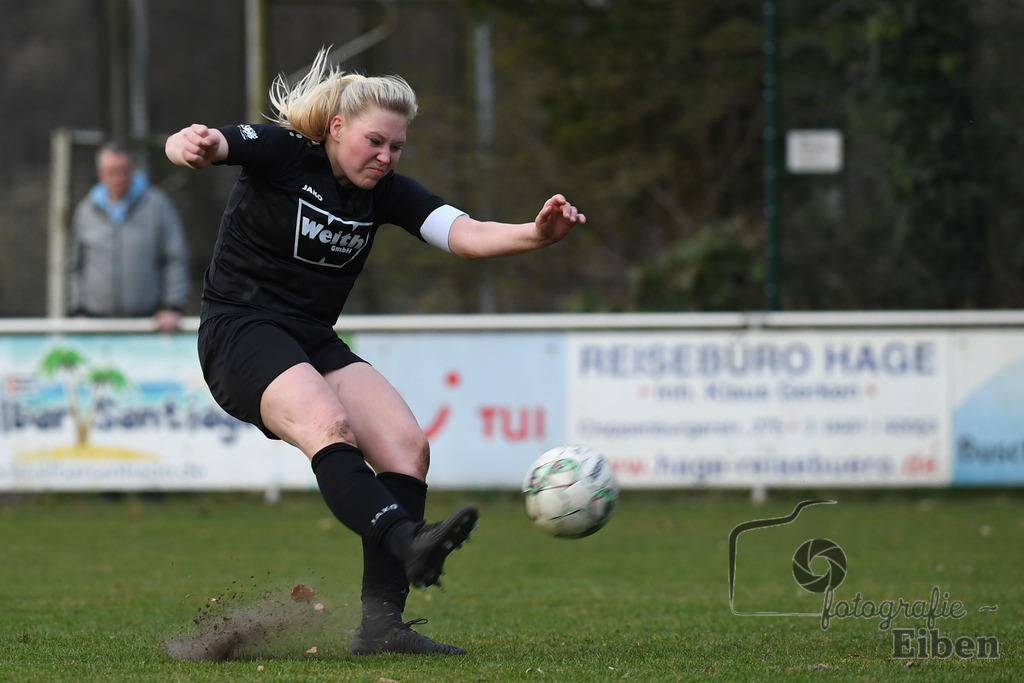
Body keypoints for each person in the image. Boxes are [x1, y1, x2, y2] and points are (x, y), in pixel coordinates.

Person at [164, 48, 585, 656]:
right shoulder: (285, 153)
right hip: (240, 331)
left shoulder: (383, 192)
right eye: (375, 142)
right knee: (326, 422)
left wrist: (536, 233)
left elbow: (463, 235)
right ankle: (405, 539)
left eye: (396, 148)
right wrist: (190, 146)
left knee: (407, 447)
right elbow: (209, 144)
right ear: (337, 129)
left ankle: (382, 626)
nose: (386, 157)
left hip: (310, 336)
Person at [67, 140, 190, 332]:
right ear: (101, 174)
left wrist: (172, 307)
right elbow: (75, 265)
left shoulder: (157, 206)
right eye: (113, 171)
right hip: (95, 326)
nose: (120, 177)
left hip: (148, 325)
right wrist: (77, 309)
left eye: (125, 170)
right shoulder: (85, 211)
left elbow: (175, 257)